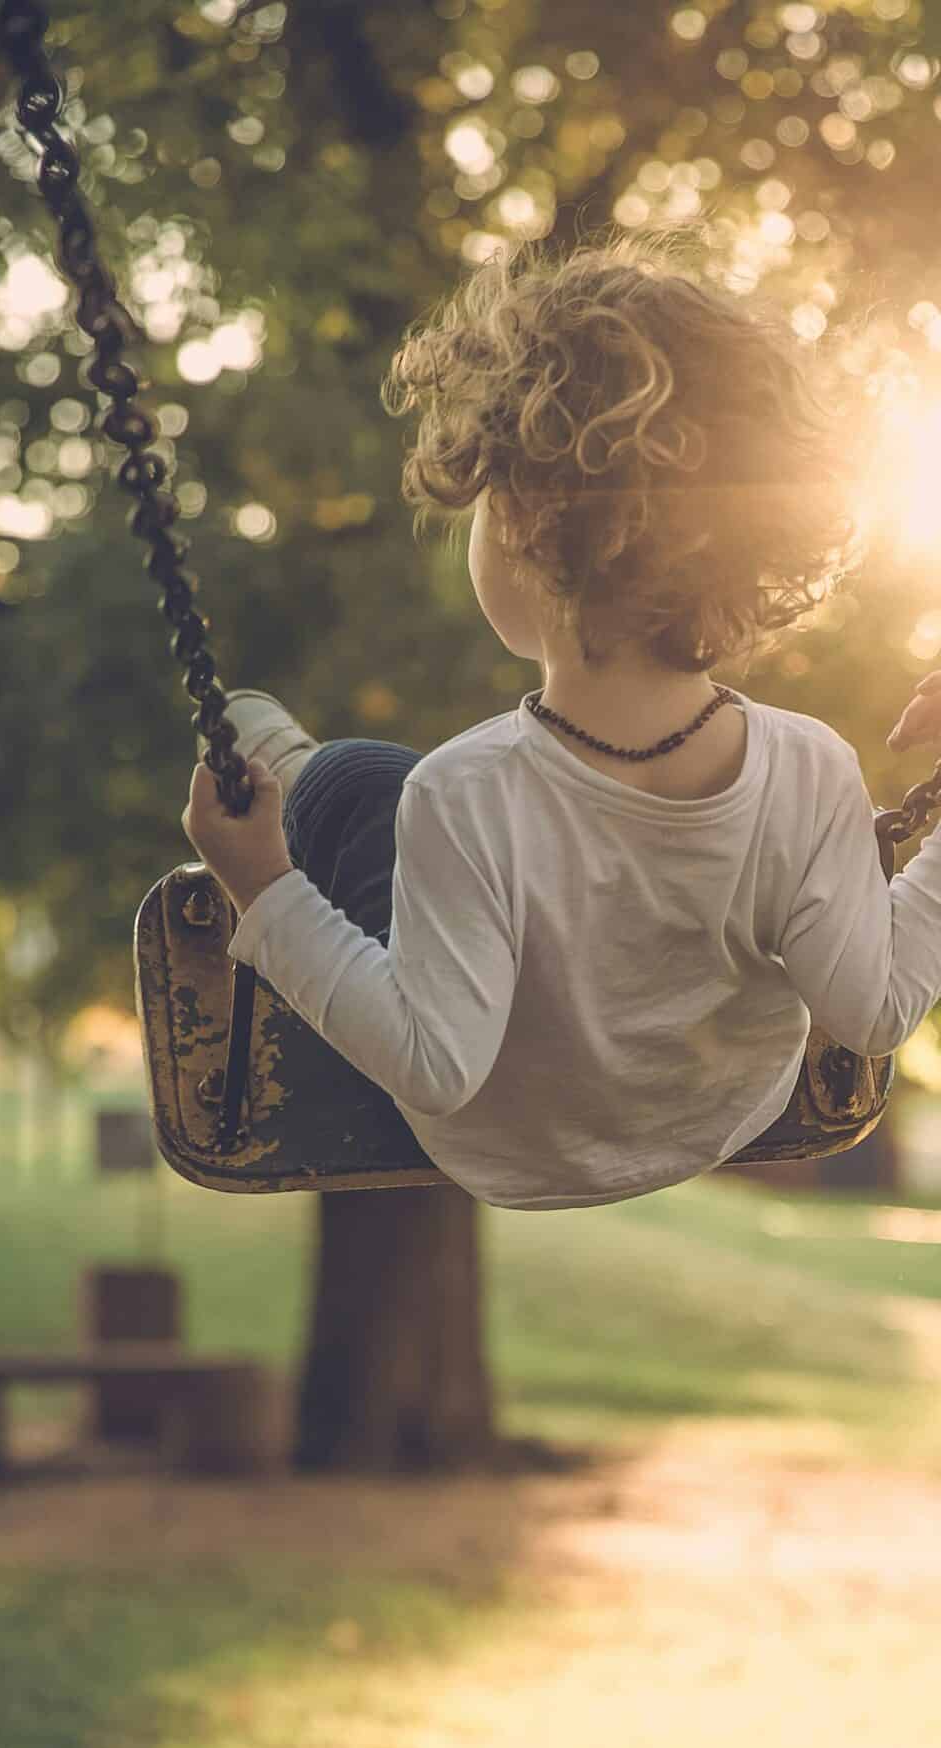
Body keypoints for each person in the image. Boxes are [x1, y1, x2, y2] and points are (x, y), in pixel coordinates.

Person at [182, 229, 941, 1211]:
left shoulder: (462, 792)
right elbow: (876, 1008)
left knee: (356, 781)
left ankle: (290, 771)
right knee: (385, 792)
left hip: (507, 1145)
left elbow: (434, 1064)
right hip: (719, 1116)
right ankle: (295, 766)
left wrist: (264, 889)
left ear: (531, 522)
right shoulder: (811, 768)